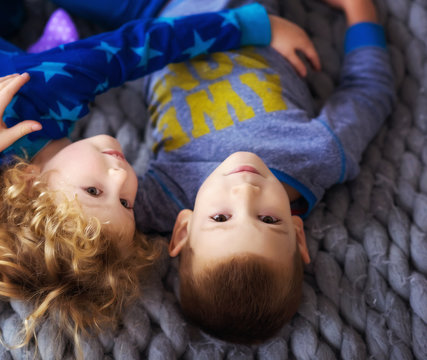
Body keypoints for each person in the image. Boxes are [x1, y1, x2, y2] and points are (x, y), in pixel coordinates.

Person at [0, 0, 297, 354]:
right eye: (124, 202)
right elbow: (140, 43)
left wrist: (253, 25)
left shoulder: (53, 88)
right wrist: (252, 24)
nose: (123, 176)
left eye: (96, 190)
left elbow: (137, 46)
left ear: (31, 184)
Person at [132, 0, 395, 345]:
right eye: (269, 220)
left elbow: (81, 209)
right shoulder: (320, 153)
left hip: (143, 22)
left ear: (183, 229)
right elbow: (370, 90)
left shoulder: (166, 194)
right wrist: (359, 9)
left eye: (221, 217)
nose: (244, 192)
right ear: (298, 235)